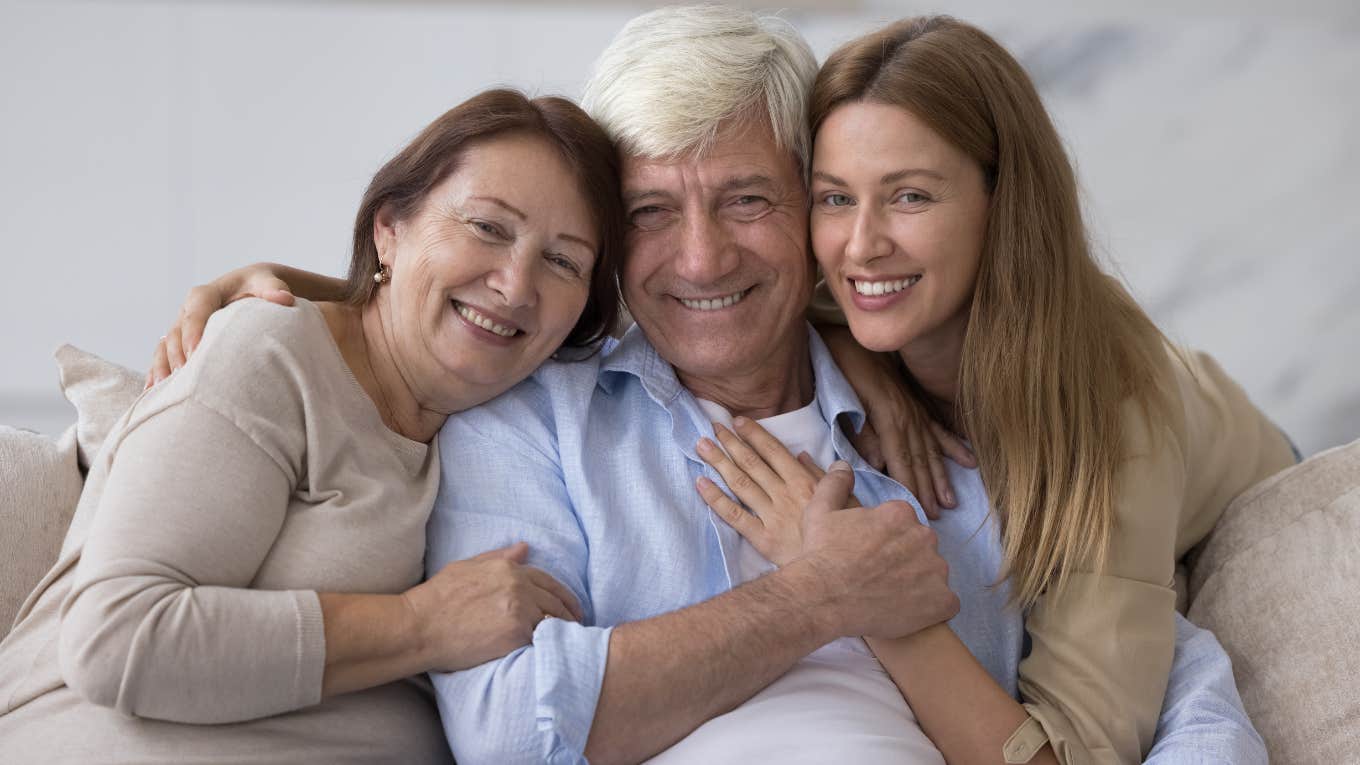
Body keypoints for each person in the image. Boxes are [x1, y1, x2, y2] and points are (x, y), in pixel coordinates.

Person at [138, 8, 1268, 765]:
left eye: (747, 201)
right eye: (646, 213)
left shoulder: (959, 408)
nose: (699, 259)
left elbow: (1137, 691)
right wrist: (817, 597)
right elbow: (513, 732)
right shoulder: (534, 419)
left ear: (806, 200)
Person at [698, 15, 1295, 764]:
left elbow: (1067, 753)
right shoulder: (834, 310)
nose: (861, 244)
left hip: (1262, 502)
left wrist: (860, 592)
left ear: (1002, 203)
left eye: (910, 196)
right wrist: (860, 361)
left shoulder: (1110, 413)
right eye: (834, 197)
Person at [0, 89, 623, 763]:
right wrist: (424, 624)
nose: (516, 283)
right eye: (488, 227)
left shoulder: (515, 415)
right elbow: (117, 637)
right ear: (390, 226)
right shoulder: (272, 354)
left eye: (563, 260)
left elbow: (669, 316)